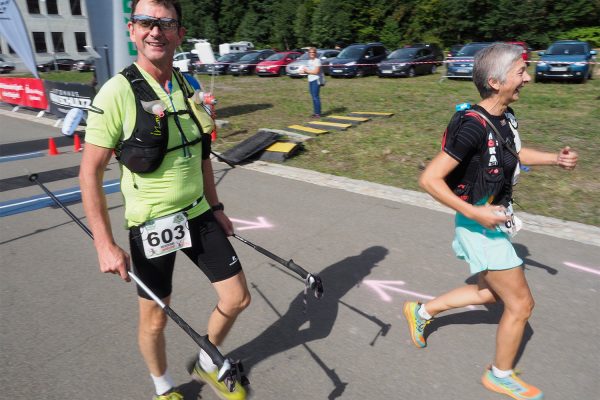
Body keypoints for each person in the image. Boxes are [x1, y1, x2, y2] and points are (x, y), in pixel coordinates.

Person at [79, 1, 250, 399]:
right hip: (153, 223)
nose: (155, 31)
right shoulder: (118, 91)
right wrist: (104, 244)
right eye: (145, 22)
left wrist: (217, 207)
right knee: (155, 319)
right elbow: (89, 173)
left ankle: (208, 363)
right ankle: (163, 387)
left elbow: (201, 153)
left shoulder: (187, 84)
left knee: (237, 298)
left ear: (179, 33)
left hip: (199, 213)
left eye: (165, 23)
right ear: (132, 30)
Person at [403, 43, 578, 400]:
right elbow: (429, 179)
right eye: (520, 72)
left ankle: (421, 310)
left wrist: (553, 161)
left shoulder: (505, 116)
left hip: (491, 219)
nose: (527, 77)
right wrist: (475, 213)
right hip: (479, 223)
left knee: (490, 294)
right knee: (521, 304)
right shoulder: (472, 126)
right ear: (496, 82)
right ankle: (500, 374)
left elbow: (513, 152)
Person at [301, 47, 322, 118]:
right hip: (310, 80)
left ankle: (318, 113)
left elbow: (316, 72)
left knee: (316, 97)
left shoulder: (317, 61)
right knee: (313, 97)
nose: (311, 54)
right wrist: (303, 71)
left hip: (316, 80)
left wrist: (306, 71)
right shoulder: (309, 61)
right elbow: (310, 71)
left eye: (313, 52)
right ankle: (316, 112)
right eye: (310, 53)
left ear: (315, 53)